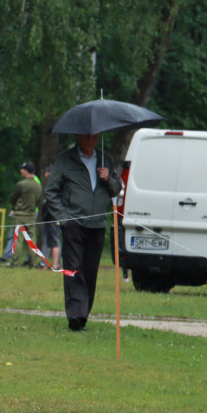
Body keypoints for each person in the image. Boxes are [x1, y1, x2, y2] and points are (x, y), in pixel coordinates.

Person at [43, 134, 122, 331]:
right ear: (78, 136)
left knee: (90, 270)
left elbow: (117, 189)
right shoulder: (65, 159)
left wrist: (108, 179)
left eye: (94, 136)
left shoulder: (106, 159)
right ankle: (75, 315)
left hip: (97, 223)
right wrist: (63, 217)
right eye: (86, 136)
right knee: (73, 267)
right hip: (74, 222)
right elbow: (51, 191)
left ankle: (84, 312)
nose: (90, 140)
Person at [5, 162, 42, 267]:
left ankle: (15, 262)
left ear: (26, 171)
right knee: (31, 240)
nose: (21, 171)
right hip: (31, 215)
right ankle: (32, 263)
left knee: (18, 240)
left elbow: (12, 198)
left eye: (22, 169)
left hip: (20, 215)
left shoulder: (21, 184)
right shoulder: (38, 186)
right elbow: (39, 201)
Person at [38, 166, 61, 270]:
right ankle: (44, 264)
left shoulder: (58, 185)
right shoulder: (50, 184)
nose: (46, 174)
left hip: (54, 217)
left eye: (49, 172)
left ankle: (56, 265)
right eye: (46, 172)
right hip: (47, 217)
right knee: (47, 241)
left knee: (54, 241)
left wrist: (58, 217)